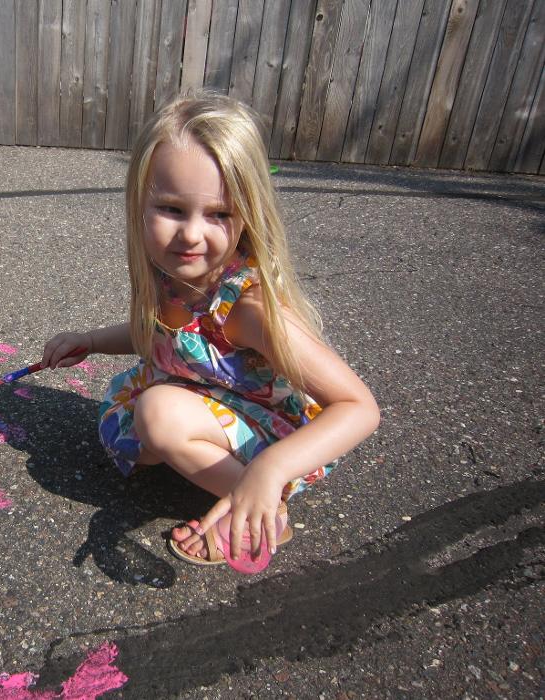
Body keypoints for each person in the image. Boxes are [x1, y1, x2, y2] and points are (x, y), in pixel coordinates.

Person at [41, 93, 380, 573]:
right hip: (206, 394)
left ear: (247, 216)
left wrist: (270, 470)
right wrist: (93, 340)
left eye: (219, 214)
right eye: (173, 209)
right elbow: (166, 339)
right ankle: (222, 471)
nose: (192, 235)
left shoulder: (250, 308)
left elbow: (359, 407)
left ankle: (263, 510)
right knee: (143, 425)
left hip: (270, 429)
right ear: (139, 201)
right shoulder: (168, 273)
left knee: (157, 415)